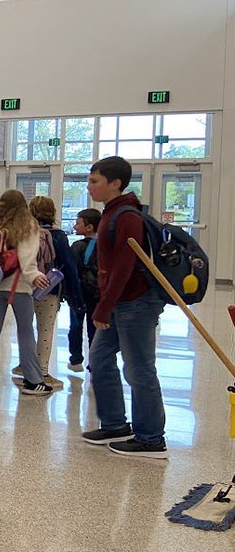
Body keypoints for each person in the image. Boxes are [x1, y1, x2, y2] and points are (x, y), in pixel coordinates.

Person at [81, 156, 168, 459]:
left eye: (95, 181)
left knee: (139, 368)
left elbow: (123, 268)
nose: (89, 186)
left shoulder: (127, 216)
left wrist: (103, 308)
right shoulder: (112, 212)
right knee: (100, 359)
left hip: (135, 304)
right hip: (120, 303)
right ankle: (116, 423)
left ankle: (151, 438)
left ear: (115, 183)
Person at [0, 190, 51, 397]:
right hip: (19, 287)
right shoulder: (28, 225)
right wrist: (33, 275)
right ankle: (33, 380)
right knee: (26, 331)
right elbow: (26, 257)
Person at [21, 196, 83, 390]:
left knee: (25, 330)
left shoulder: (24, 232)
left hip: (25, 286)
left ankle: (25, 365)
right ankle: (43, 372)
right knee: (45, 330)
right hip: (50, 287)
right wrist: (76, 295)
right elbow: (69, 266)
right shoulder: (58, 235)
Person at [68, 208, 101, 372]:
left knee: (75, 326)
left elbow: (71, 270)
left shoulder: (77, 246)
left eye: (78, 223)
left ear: (89, 227)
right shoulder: (104, 246)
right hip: (97, 293)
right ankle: (94, 362)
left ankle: (75, 359)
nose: (75, 226)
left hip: (79, 293)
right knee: (94, 328)